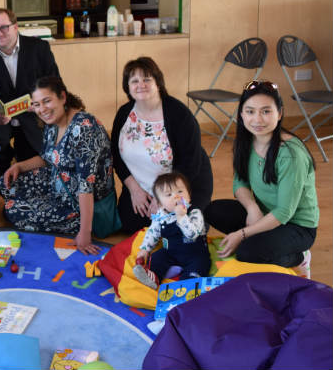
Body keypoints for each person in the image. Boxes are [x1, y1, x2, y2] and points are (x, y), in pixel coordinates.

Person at [203, 80, 318, 276]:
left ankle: (299, 257)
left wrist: (243, 234)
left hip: (297, 226)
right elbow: (240, 183)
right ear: (241, 114)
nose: (257, 119)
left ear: (279, 113)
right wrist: (252, 208)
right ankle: (262, 239)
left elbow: (284, 212)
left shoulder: (290, 154)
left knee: (247, 252)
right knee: (213, 211)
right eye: (250, 111)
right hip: (265, 213)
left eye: (266, 111)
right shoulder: (246, 141)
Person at [0, 76, 116, 255]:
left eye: (47, 101)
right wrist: (19, 167)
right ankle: (42, 204)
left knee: (12, 209)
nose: (42, 109)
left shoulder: (84, 127)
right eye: (37, 104)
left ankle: (75, 221)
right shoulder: (52, 122)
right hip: (58, 183)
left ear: (62, 97)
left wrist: (85, 233)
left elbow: (86, 185)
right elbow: (48, 158)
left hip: (81, 204)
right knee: (4, 183)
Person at [111, 57, 213, 234]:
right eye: (134, 81)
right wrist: (134, 190)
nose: (140, 85)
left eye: (147, 79)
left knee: (178, 233)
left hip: (181, 185)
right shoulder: (124, 113)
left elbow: (190, 163)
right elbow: (116, 156)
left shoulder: (179, 114)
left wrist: (162, 198)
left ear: (158, 83)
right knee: (130, 226)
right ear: (127, 87)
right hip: (142, 184)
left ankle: (197, 216)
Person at [0, 8, 60, 176]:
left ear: (15, 26)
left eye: (4, 27)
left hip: (34, 116)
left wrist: (41, 105)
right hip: (1, 121)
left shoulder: (39, 48)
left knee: (34, 167)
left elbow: (55, 84)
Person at [132, 172, 210, 290]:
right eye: (168, 194)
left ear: (189, 195)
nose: (176, 196)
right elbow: (153, 232)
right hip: (172, 253)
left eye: (180, 191)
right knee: (158, 257)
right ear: (159, 204)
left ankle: (186, 285)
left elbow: (192, 235)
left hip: (195, 255)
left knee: (199, 267)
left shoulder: (194, 212)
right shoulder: (161, 216)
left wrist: (182, 217)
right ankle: (153, 277)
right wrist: (144, 250)